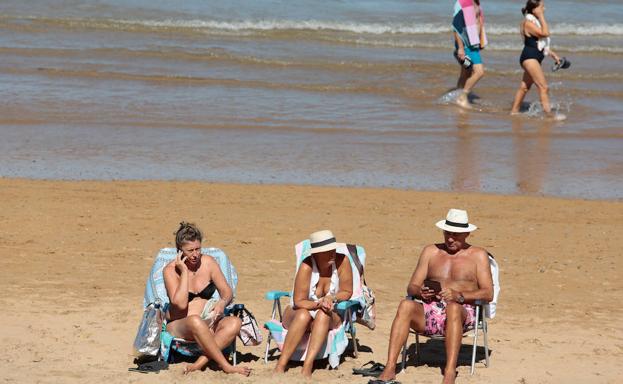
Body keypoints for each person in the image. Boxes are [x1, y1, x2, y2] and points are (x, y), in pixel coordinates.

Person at [373, 209, 493, 384]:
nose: (450, 238)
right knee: (405, 305)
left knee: (452, 307)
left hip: (462, 311)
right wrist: (420, 291)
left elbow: (488, 293)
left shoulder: (478, 255)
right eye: (447, 233)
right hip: (431, 311)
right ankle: (390, 367)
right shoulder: (431, 252)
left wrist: (459, 295)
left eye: (456, 235)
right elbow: (411, 286)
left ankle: (450, 371)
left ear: (467, 234)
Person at [163, 222, 251, 376]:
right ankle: (226, 365)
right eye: (190, 250)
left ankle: (199, 363)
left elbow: (227, 291)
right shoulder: (170, 271)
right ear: (179, 251)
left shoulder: (208, 262)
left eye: (198, 249)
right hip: (180, 325)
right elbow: (180, 304)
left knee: (235, 323)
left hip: (208, 321)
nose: (195, 254)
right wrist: (183, 272)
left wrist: (222, 302)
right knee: (195, 320)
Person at [274, 230, 353, 378]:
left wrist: (331, 297)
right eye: (327, 251)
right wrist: (319, 303)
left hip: (328, 314)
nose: (332, 254)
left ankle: (307, 365)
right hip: (299, 311)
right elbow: (299, 301)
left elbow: (347, 291)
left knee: (324, 314)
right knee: (304, 314)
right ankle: (281, 364)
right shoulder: (306, 266)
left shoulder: (343, 261)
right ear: (316, 254)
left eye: (333, 249)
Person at [510, 0, 564, 118]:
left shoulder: (533, 22)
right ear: (534, 9)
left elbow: (538, 43)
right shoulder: (528, 23)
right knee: (543, 87)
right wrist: (541, 16)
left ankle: (514, 112)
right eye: (542, 7)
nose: (544, 9)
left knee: (524, 87)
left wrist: (553, 55)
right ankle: (549, 116)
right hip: (530, 58)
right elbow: (545, 33)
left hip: (533, 57)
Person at [453, 0, 486, 109]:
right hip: (466, 46)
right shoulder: (462, 2)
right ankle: (462, 97)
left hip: (474, 45)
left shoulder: (477, 3)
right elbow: (455, 27)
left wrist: (481, 41)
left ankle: (457, 97)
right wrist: (461, 48)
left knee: (465, 73)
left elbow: (479, 23)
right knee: (479, 72)